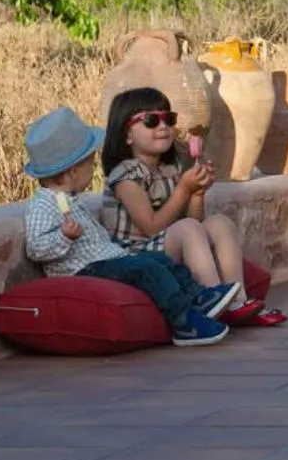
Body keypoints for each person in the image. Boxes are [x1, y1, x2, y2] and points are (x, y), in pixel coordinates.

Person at [19, 106, 233, 346]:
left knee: (159, 261)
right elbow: (36, 247)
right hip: (87, 269)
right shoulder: (43, 205)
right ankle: (184, 323)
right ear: (71, 171)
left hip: (107, 260)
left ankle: (197, 297)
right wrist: (63, 237)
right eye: (90, 163)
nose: (94, 169)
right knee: (145, 269)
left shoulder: (70, 201)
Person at [101, 87, 285, 328]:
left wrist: (197, 192)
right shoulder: (125, 175)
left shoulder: (170, 169)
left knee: (219, 223)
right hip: (137, 255)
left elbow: (195, 222)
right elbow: (151, 226)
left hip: (166, 244)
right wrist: (183, 190)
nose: (163, 126)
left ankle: (237, 302)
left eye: (169, 119)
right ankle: (211, 300)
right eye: (150, 121)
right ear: (127, 135)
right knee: (187, 228)